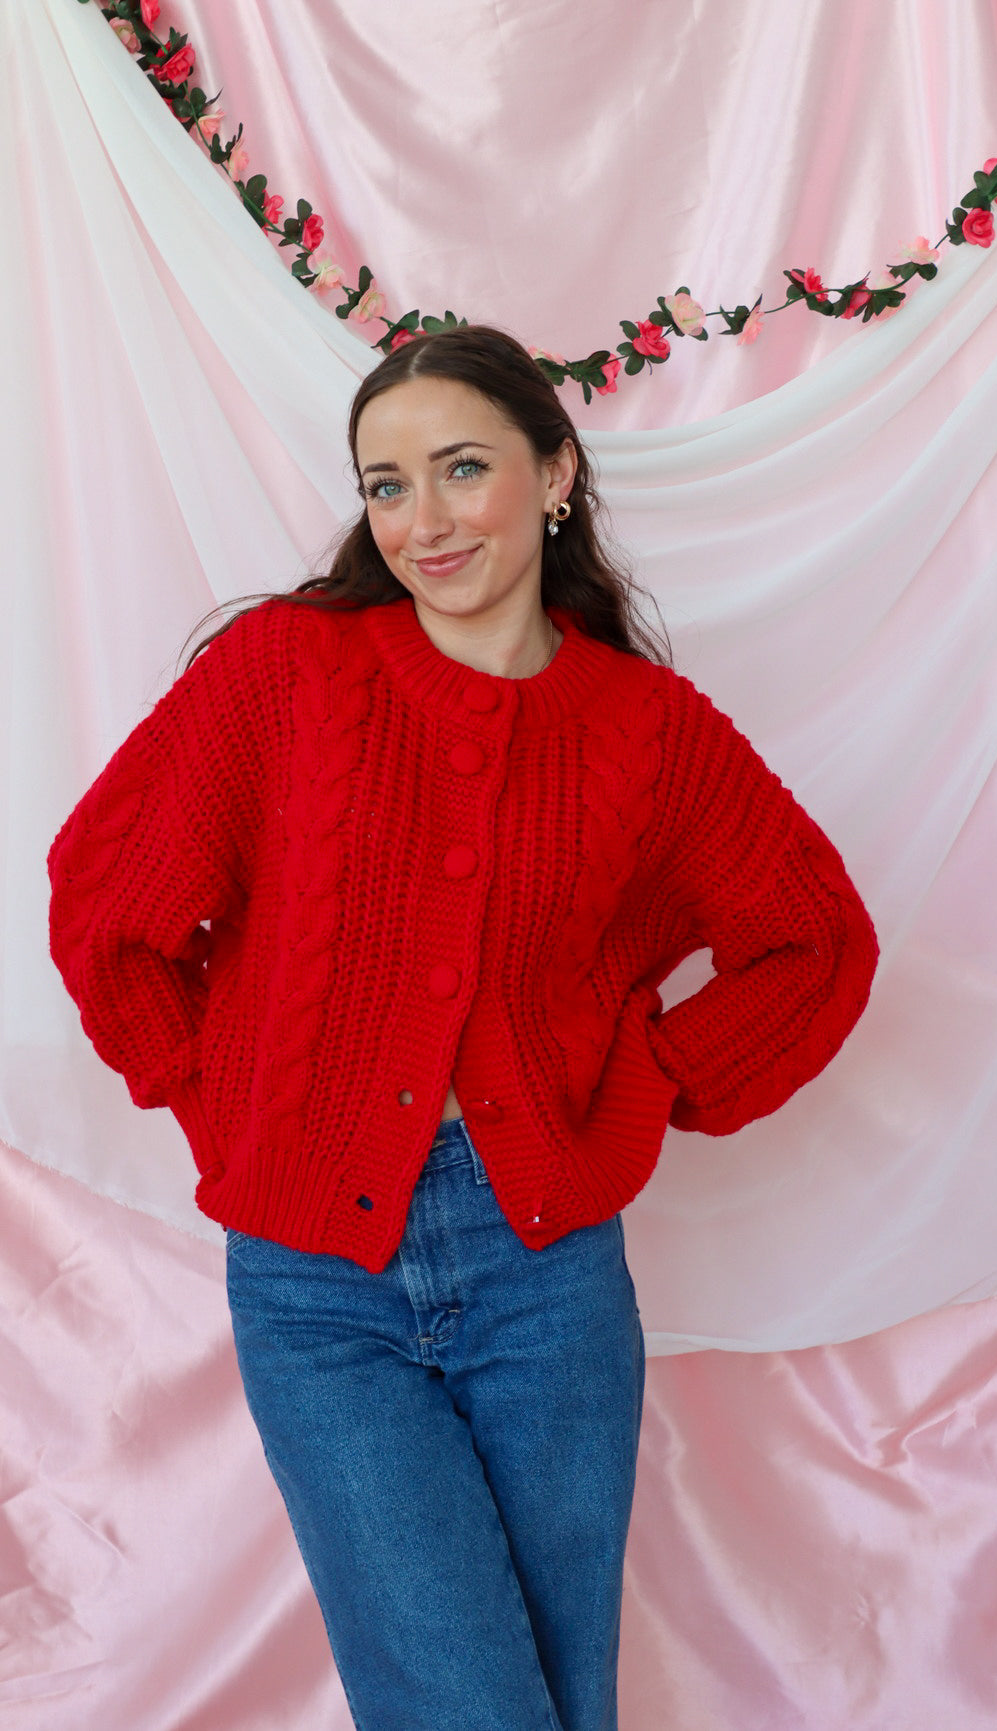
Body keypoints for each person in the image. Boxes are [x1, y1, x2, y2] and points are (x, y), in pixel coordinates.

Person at [46, 325, 879, 1731]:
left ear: (555, 474)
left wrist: (649, 1084)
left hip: (545, 1274)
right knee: (462, 1703)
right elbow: (106, 905)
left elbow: (814, 940)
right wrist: (220, 1095)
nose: (422, 520)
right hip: (316, 1285)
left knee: (562, 1695)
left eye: (461, 468)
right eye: (385, 485)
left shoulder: (646, 731)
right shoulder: (284, 680)